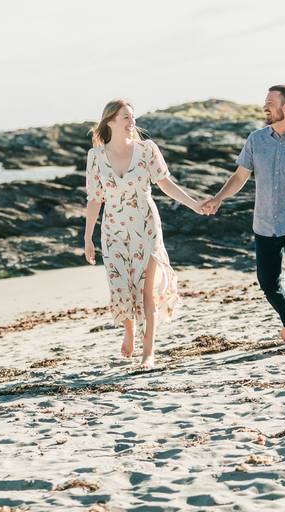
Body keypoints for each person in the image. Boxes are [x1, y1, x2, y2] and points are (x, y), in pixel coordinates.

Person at [201, 85, 285, 355]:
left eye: (270, 102)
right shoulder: (256, 140)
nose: (265, 106)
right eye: (265, 101)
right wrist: (218, 198)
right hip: (264, 224)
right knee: (267, 282)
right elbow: (240, 177)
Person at [83, 99, 205, 370]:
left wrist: (194, 203)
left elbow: (165, 184)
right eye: (125, 117)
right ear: (110, 121)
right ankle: (129, 329)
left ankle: (148, 351)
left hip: (146, 226)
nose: (131, 122)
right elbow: (95, 199)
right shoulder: (95, 157)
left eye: (132, 117)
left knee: (147, 290)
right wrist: (87, 237)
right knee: (121, 287)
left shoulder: (147, 150)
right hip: (113, 230)